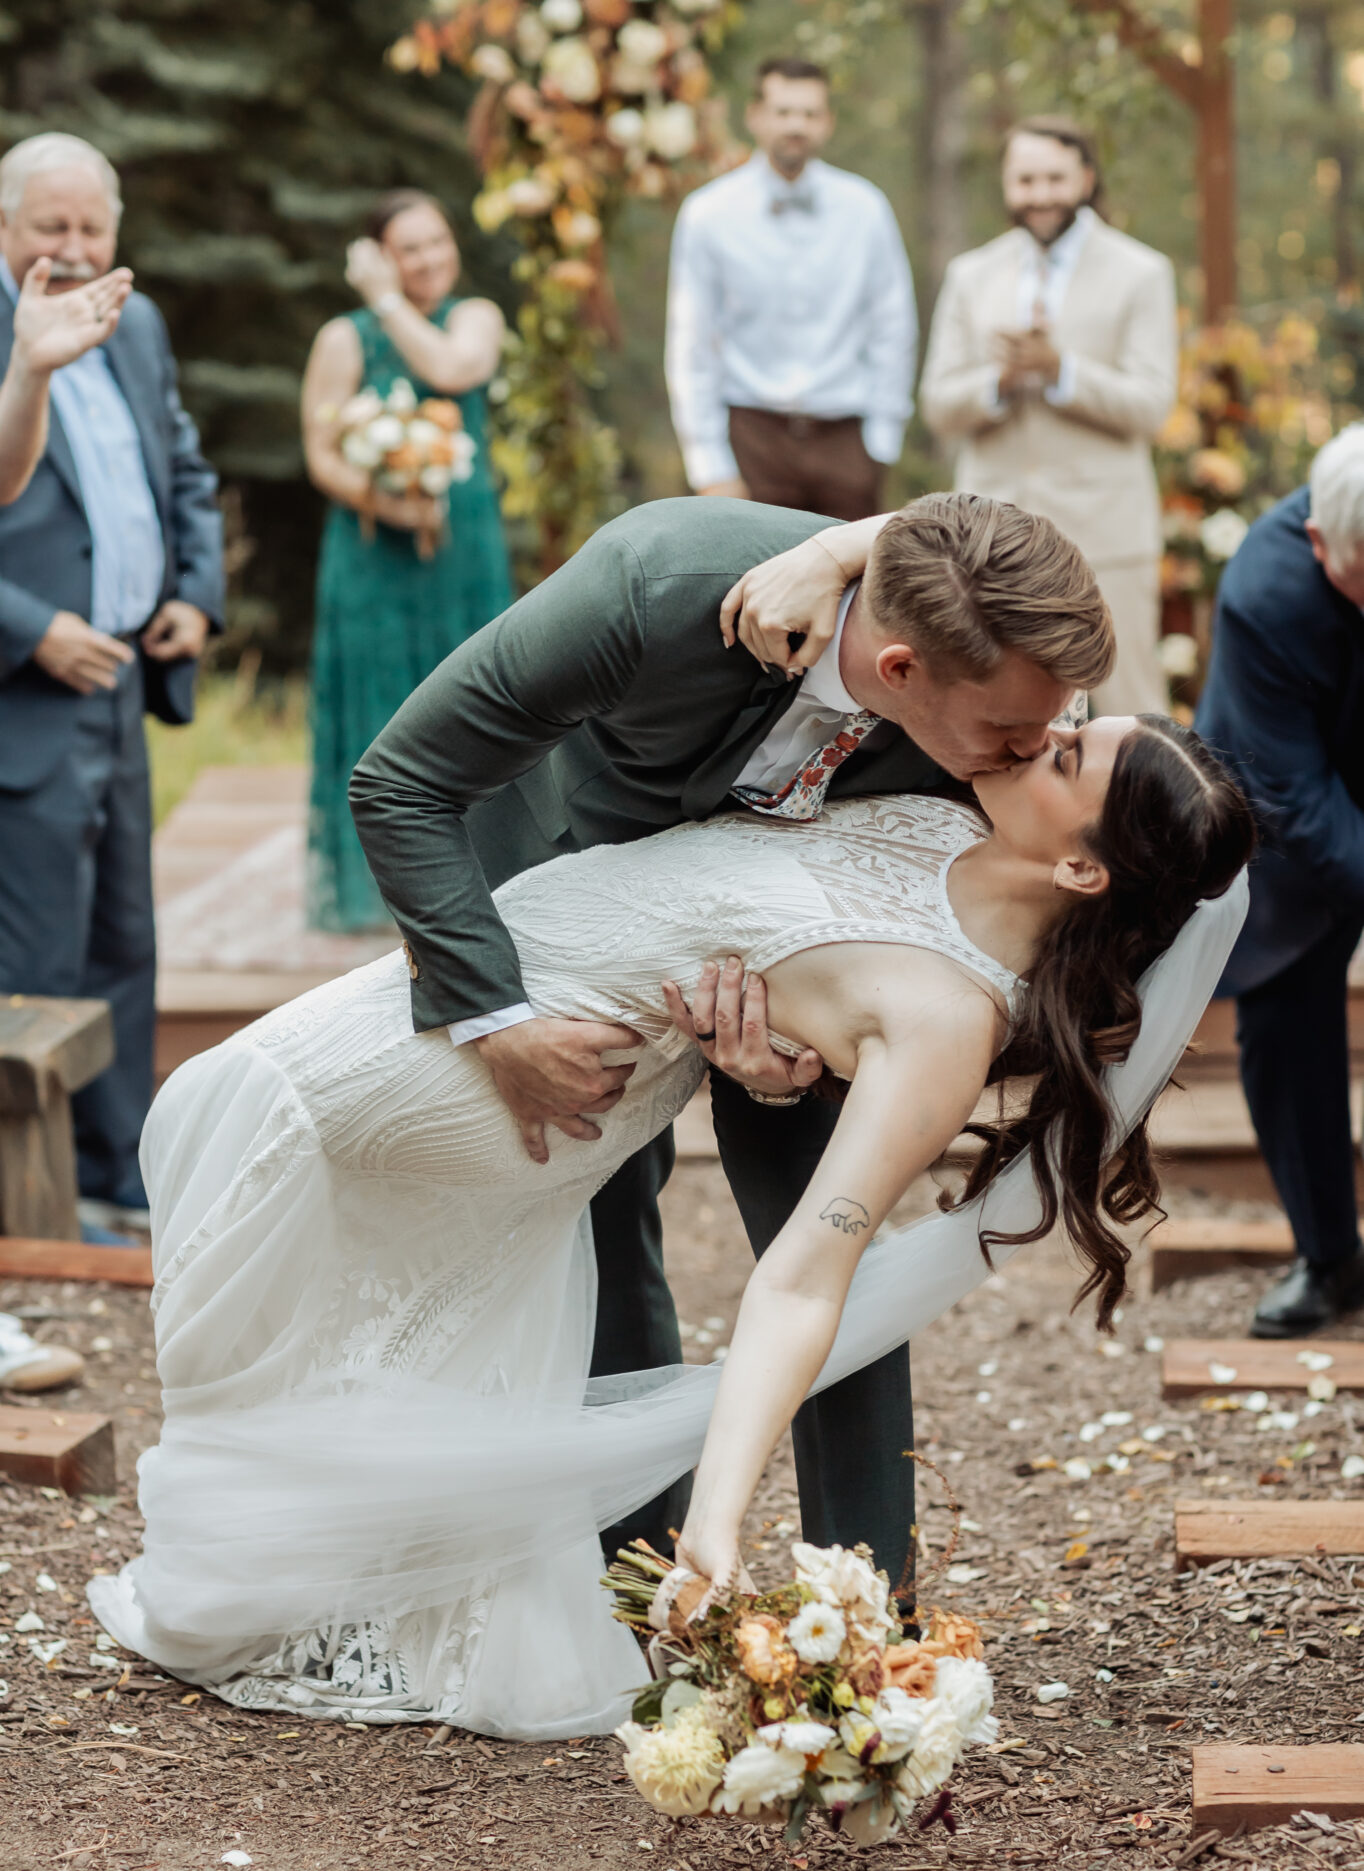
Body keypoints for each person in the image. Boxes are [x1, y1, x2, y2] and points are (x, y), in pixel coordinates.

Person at [87, 706, 1251, 1733]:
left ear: (1085, 871)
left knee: (224, 1125)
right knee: (304, 1283)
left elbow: (807, 1275)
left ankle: (236, 1571)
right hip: (490, 1010)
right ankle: (270, 1570)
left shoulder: (941, 1020)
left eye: (1065, 757)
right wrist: (766, 1064)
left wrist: (716, 1514)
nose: (1034, 733)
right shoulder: (947, 814)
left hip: (498, 1078)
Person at [343, 491, 1110, 1615]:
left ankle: (862, 1617)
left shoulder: (1008, 684)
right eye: (1006, 738)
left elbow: (991, 528)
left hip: (813, 946)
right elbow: (398, 779)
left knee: (823, 1246)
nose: (1034, 751)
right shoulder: (655, 586)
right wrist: (495, 1020)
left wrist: (816, 1049)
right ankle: (645, 1589)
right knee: (602, 1220)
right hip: (582, 885)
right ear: (899, 671)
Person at [0, 133, 223, 1224]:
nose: (78, 248)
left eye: (93, 227)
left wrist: (194, 592)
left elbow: (180, 468)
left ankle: (121, 1172)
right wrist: (34, 628)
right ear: (7, 230)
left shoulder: (137, 324)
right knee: (36, 954)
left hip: (124, 685)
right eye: (53, 226)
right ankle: (40, 1194)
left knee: (125, 939)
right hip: (25, 696)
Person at [302, 189, 513, 932]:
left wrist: (388, 301)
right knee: (377, 700)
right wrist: (383, 501)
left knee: (474, 698)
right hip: (373, 556)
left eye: (437, 241)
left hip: (465, 550)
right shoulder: (343, 339)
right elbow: (321, 452)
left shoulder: (474, 317)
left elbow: (454, 371)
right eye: (408, 248)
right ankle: (374, 890)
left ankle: (483, 871)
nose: (428, 259)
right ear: (381, 256)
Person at [919, 115, 1177, 718]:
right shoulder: (970, 274)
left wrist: (1061, 370)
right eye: (1026, 179)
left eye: (1055, 178)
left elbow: (1151, 405)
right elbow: (938, 405)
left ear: (1085, 178)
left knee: (1126, 707)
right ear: (1008, 185)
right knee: (996, 704)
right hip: (989, 541)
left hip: (1106, 534)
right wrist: (1000, 382)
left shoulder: (1141, 272)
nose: (1040, 195)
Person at [1196, 426, 1364, 1338]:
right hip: (1287, 811)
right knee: (1283, 1017)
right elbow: (1297, 801)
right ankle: (1330, 1257)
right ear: (1316, 542)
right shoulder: (1265, 594)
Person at [665, 56, 916, 521]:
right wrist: (709, 465)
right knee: (743, 589)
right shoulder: (708, 213)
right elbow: (692, 344)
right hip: (750, 436)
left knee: (854, 590)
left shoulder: (866, 209)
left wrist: (881, 442)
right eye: (783, 111)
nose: (796, 125)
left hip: (846, 439)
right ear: (754, 116)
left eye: (809, 113)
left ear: (828, 122)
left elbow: (893, 325)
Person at [0, 256, 132, 503]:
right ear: (4, 226)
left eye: (92, 231)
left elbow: (181, 461)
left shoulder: (137, 318)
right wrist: (29, 369)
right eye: (52, 228)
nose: (73, 253)